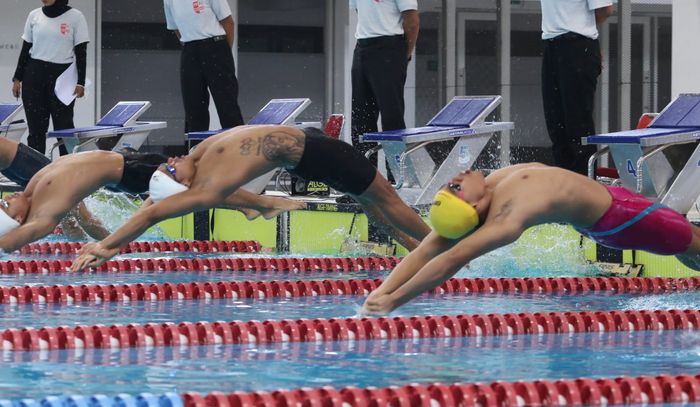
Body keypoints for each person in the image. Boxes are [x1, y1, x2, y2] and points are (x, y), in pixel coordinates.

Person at [71, 125, 432, 271]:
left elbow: (153, 204)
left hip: (309, 151)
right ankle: (439, 247)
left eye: (164, 169)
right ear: (186, 186)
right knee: (385, 201)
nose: (169, 162)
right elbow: (153, 214)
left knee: (376, 205)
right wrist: (108, 246)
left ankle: (426, 251)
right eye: (170, 172)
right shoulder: (208, 182)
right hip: (319, 155)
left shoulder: (198, 158)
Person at [362, 163, 700, 314]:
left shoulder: (492, 184)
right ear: (474, 205)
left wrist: (379, 292)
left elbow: (426, 249)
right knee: (693, 243)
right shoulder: (507, 217)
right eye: (454, 187)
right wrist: (394, 302)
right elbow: (449, 258)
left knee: (689, 251)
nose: (455, 177)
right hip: (623, 217)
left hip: (616, 203)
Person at [0, 135, 305, 252]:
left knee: (199, 182)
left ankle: (252, 206)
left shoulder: (30, 189)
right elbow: (19, 239)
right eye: (4, 208)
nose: (4, 200)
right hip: (127, 172)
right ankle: (257, 205)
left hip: (124, 166)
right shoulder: (44, 211)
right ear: (18, 218)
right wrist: (112, 245)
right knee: (201, 182)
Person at [540, 0, 613, 175]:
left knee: (578, 127)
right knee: (556, 126)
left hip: (577, 45)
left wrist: (584, 36)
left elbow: (606, 9)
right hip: (551, 46)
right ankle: (564, 185)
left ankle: (585, 188)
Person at [12, 0, 89, 156]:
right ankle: (35, 171)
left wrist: (81, 82)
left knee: (65, 128)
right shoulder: (34, 15)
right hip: (34, 74)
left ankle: (67, 170)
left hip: (62, 76)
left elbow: (81, 52)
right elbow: (26, 49)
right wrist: (17, 78)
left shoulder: (76, 17)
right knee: (36, 129)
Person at [350, 0, 419, 163]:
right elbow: (364, 16)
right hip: (362, 48)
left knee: (391, 117)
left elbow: (412, 21)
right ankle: (364, 175)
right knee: (361, 117)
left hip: (389, 47)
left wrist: (406, 54)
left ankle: (397, 175)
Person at [164, 0, 244, 134]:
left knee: (227, 105)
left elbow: (228, 22)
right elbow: (176, 28)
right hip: (190, 49)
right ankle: (194, 151)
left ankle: (236, 148)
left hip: (215, 45)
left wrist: (223, 53)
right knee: (193, 107)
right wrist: (192, 44)